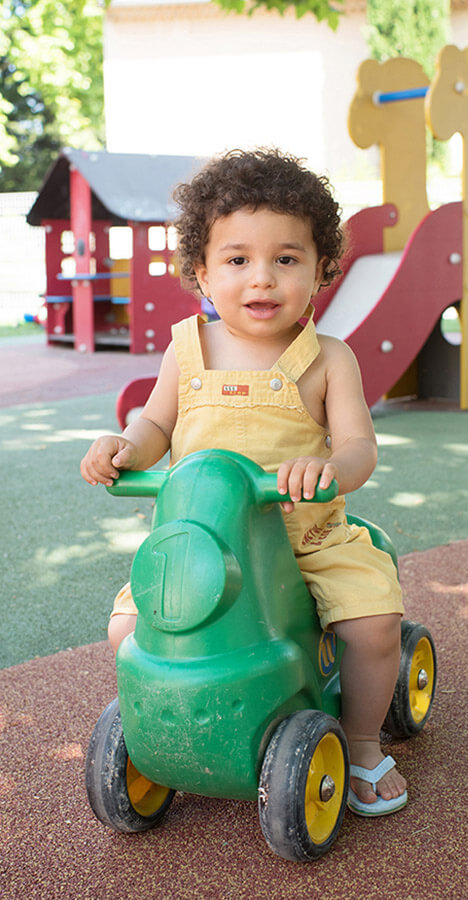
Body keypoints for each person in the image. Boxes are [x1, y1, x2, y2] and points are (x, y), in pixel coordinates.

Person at [80, 149, 406, 817]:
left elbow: (358, 449)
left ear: (321, 269)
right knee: (126, 631)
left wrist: (327, 471)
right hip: (202, 544)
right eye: (237, 260)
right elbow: (154, 426)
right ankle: (171, 730)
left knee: (372, 624)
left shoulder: (327, 360)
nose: (262, 279)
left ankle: (366, 743)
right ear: (201, 271)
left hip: (306, 535)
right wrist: (124, 448)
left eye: (286, 259)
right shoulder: (186, 348)